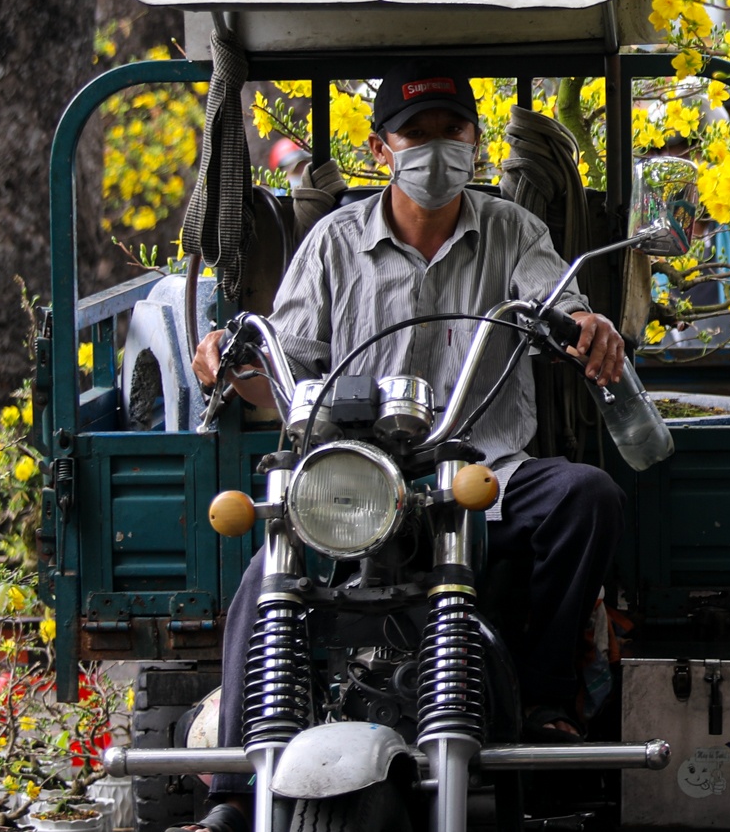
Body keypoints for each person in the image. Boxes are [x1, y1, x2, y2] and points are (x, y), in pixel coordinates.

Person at [188, 63, 628, 832]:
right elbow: (277, 373)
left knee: (587, 497)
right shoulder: (333, 243)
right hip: (359, 486)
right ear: (380, 145)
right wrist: (230, 360)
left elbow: (565, 305)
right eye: (415, 134)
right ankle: (230, 793)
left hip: (486, 472)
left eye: (450, 132)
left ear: (474, 140)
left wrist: (589, 329)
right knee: (266, 576)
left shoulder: (514, 231)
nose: (434, 150)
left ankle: (547, 699)